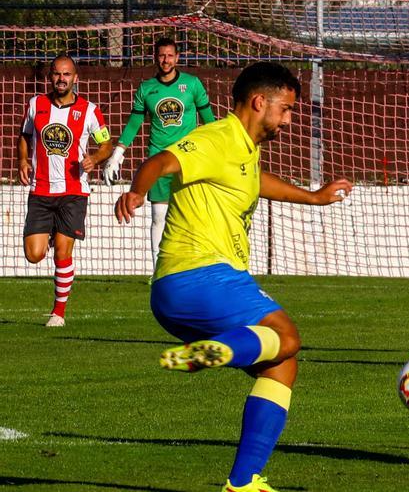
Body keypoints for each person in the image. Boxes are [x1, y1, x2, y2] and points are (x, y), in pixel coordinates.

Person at [114, 62, 351, 492]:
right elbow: (162, 161)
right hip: (199, 275)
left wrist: (314, 198)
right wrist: (137, 189)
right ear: (260, 102)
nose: (289, 119)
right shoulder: (216, 137)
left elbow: (253, 181)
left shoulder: (243, 148)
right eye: (286, 109)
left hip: (194, 286)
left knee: (281, 365)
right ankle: (212, 353)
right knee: (288, 334)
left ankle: (242, 482)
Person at [104, 37, 215, 272]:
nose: (166, 60)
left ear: (177, 58)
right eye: (162, 55)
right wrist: (117, 153)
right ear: (156, 57)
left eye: (170, 55)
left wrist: (216, 151)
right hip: (157, 161)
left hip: (188, 160)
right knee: (158, 217)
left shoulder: (193, 84)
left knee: (192, 217)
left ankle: (192, 268)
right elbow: (134, 123)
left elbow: (210, 123)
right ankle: (158, 273)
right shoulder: (146, 88)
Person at [18, 54, 113, 327]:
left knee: (63, 251)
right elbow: (25, 136)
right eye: (57, 74)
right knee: (34, 255)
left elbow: (106, 143)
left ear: (75, 78)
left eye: (67, 74)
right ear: (50, 77)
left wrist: (95, 158)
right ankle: (48, 235)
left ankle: (58, 312)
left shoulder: (89, 110)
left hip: (74, 192)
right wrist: (23, 160)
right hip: (41, 190)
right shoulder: (36, 104)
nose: (62, 79)